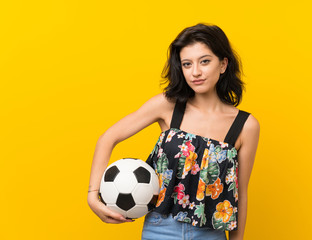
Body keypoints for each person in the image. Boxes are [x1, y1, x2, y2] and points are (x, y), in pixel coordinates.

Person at [87, 23, 260, 240]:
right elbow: (108, 138)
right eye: (187, 64)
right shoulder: (168, 106)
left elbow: (240, 193)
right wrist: (93, 196)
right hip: (160, 229)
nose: (195, 72)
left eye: (204, 61)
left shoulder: (246, 125)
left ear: (223, 64)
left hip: (211, 234)